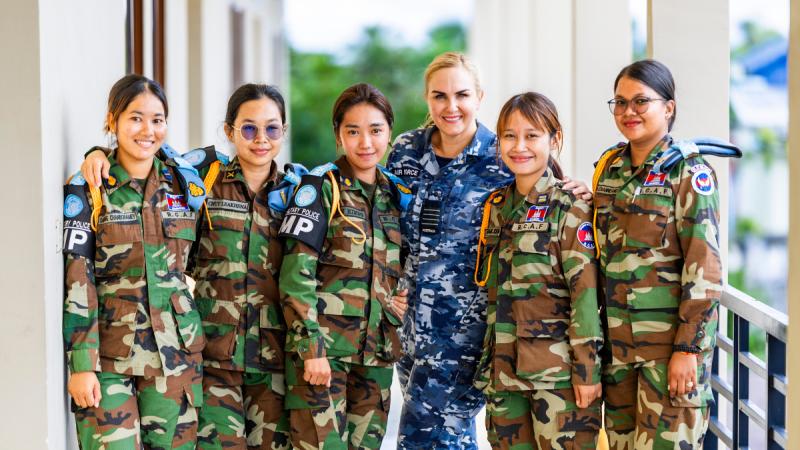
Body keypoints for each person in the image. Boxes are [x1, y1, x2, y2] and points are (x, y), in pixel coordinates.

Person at [387, 52, 592, 449]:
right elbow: (386, 222)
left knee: (422, 437)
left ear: (479, 96)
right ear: (427, 99)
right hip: (409, 329)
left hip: (469, 331)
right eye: (439, 96)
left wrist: (588, 192)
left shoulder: (502, 156)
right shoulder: (405, 151)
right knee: (449, 438)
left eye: (462, 94)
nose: (451, 106)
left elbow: (551, 203)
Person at [81, 84, 298, 449]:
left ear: (283, 132)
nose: (260, 138)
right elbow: (144, 156)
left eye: (272, 128)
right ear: (229, 131)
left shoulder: (299, 190)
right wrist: (98, 153)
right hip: (212, 357)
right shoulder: (197, 178)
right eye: (248, 128)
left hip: (273, 359)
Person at [63, 74, 204, 449]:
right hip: (109, 356)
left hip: (176, 356)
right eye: (135, 118)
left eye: (157, 119)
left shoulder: (185, 184)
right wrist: (82, 365)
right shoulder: (89, 187)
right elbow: (79, 278)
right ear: (113, 121)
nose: (148, 130)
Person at [593, 59, 721, 449]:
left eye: (641, 101)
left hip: (668, 354)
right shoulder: (608, 170)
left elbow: (706, 269)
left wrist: (687, 349)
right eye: (620, 102)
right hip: (618, 354)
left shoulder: (688, 173)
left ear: (669, 107)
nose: (629, 111)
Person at [278, 82, 410, 449]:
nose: (365, 142)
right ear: (338, 134)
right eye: (353, 131)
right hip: (324, 355)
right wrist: (311, 349)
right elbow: (295, 275)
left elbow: (407, 262)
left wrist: (401, 299)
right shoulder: (319, 187)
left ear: (389, 133)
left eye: (375, 130)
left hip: (376, 356)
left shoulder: (395, 195)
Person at [474, 92, 603, 450]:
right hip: (503, 373)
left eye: (532, 135)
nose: (519, 146)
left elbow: (585, 294)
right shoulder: (497, 207)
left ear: (554, 139)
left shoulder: (570, 206)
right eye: (509, 136)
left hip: (559, 378)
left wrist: (587, 370)